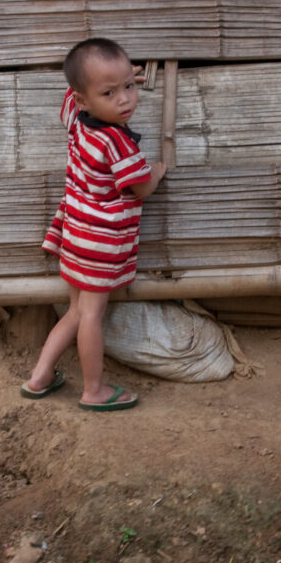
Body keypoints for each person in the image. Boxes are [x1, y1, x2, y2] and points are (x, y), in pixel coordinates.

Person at [21, 37, 167, 411]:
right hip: (101, 243)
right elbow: (141, 187)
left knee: (75, 311)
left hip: (74, 234)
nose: (125, 100)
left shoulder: (77, 122)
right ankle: (94, 389)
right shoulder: (118, 143)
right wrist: (158, 170)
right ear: (85, 99)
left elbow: (74, 94)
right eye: (110, 92)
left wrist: (113, 78)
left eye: (130, 87)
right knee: (91, 315)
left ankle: (39, 377)